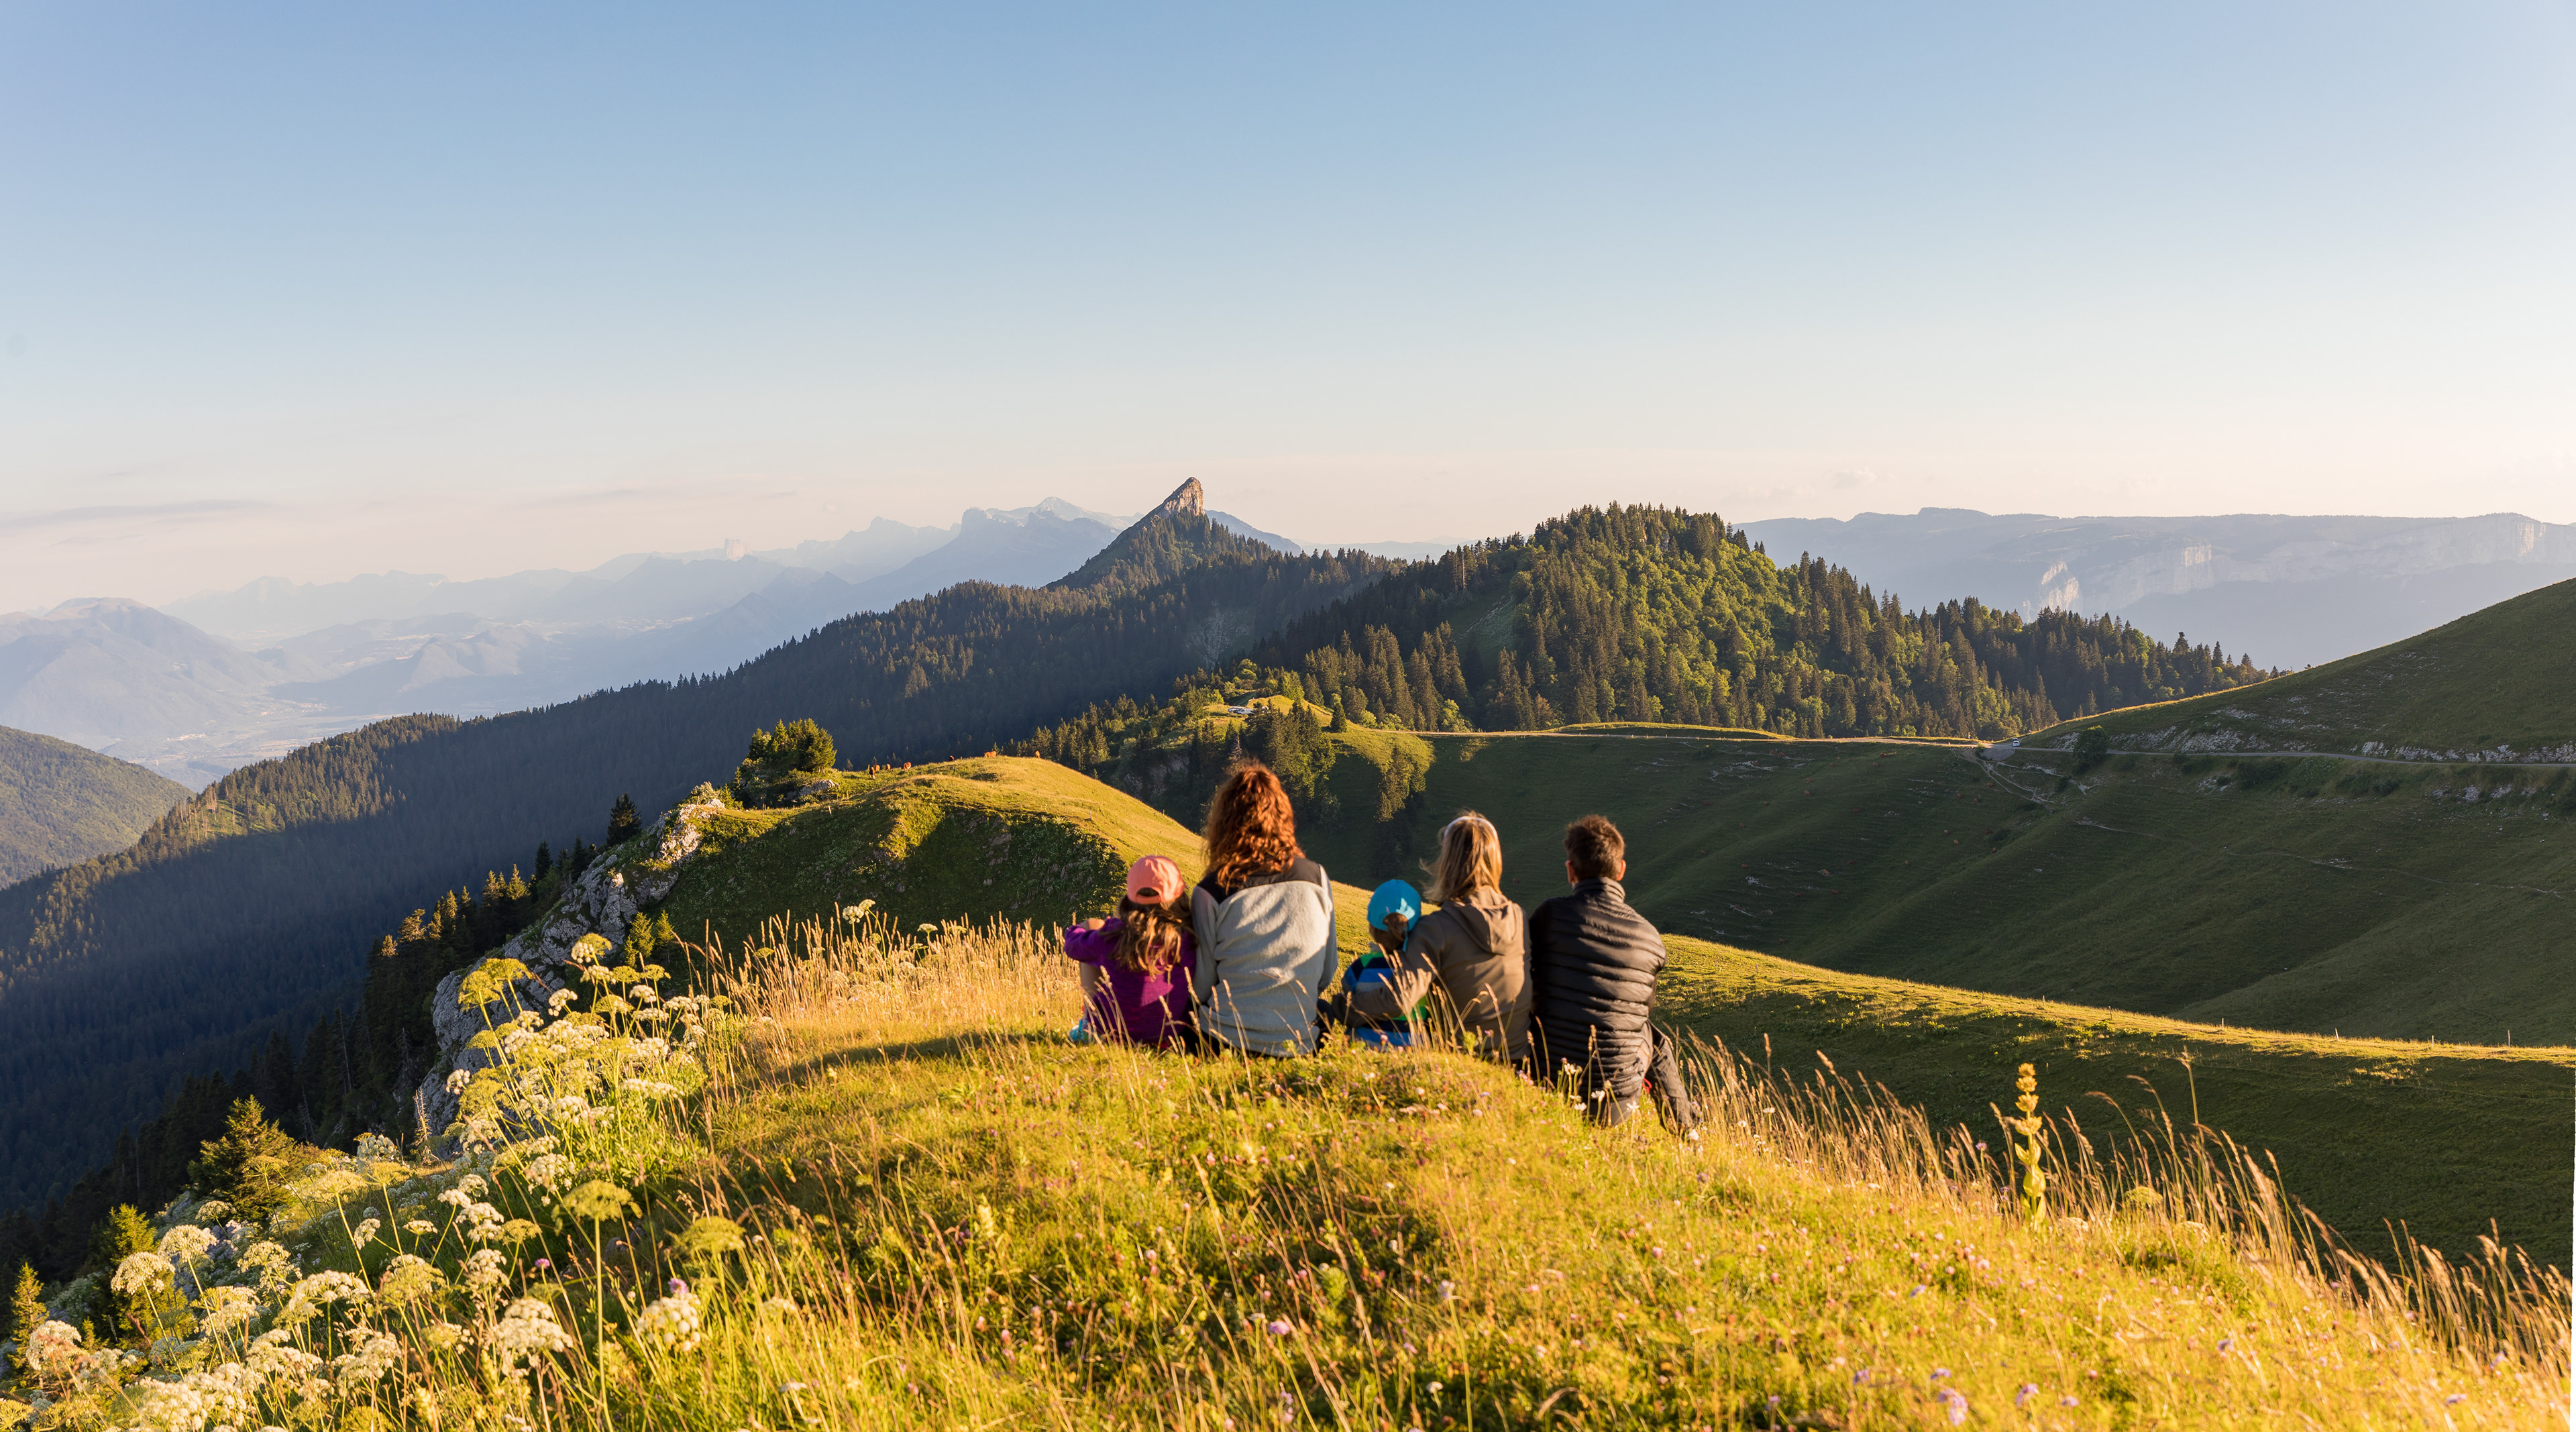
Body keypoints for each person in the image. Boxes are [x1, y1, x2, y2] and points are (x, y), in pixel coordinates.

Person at [1525, 814, 1699, 1132]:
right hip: (1616, 1104)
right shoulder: (1651, 939)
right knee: (1654, 1039)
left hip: (1545, 1081)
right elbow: (1641, 1013)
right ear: (1621, 870)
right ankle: (1686, 1129)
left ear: (1571, 870)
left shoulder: (1550, 916)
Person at [1337, 812, 1531, 1063]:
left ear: (1447, 863)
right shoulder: (1519, 917)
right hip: (1518, 1061)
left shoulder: (1435, 928)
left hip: (1463, 1065)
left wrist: (1343, 1009)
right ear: (1495, 861)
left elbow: (1399, 998)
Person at [1188, 762, 1340, 1057]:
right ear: (1283, 817)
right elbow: (1326, 972)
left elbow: (1202, 987)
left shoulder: (1211, 891)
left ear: (1225, 822)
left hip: (1223, 1043)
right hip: (1297, 1042)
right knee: (1324, 1012)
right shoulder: (1317, 878)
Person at [1062, 855, 1195, 1047]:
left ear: (1130, 897)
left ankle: (1089, 1026)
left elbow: (1073, 947)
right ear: (1179, 896)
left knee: (1092, 926)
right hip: (1167, 1039)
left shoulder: (1114, 935)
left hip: (1109, 1036)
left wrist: (1078, 930)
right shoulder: (1186, 939)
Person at [1323, 881, 1426, 1048]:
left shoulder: (1360, 967)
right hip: (1413, 1051)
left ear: (1372, 926)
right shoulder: (1422, 968)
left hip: (1363, 1051)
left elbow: (1347, 990)